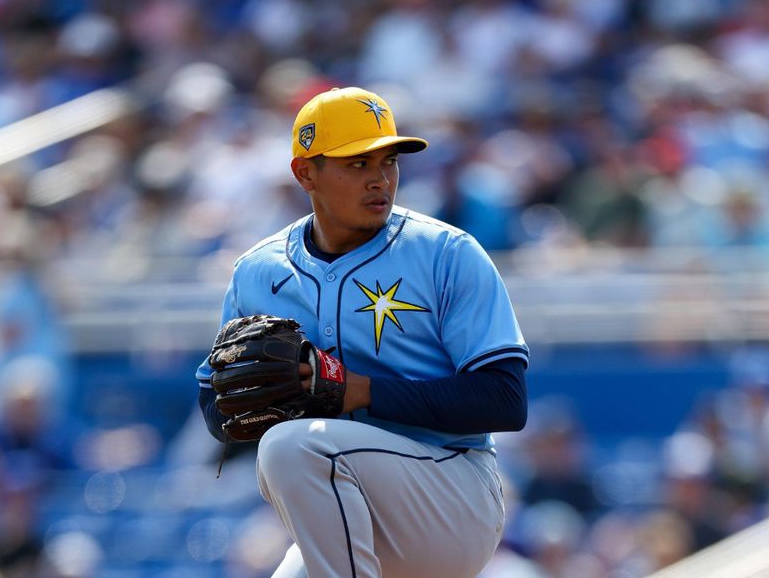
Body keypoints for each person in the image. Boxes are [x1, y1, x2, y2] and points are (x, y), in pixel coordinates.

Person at [196, 86, 529, 578]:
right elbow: (214, 403)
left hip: (449, 492)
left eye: (388, 162)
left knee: (292, 447)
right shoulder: (257, 272)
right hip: (340, 510)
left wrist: (355, 393)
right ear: (305, 172)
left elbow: (505, 399)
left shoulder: (446, 253)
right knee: (290, 447)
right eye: (357, 164)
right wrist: (265, 401)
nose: (380, 180)